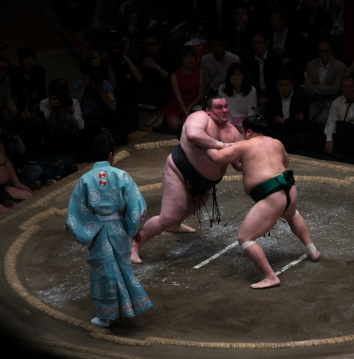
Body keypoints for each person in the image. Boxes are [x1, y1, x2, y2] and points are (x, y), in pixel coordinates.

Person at [206, 115, 320, 289]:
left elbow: (217, 157)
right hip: (289, 189)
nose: (242, 135)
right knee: (291, 214)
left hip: (271, 194)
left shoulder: (243, 145)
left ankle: (270, 276)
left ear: (249, 131)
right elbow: (285, 162)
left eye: (242, 132)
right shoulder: (276, 142)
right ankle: (312, 251)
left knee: (245, 238)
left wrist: (205, 144)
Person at [130, 95, 242, 264]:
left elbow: (238, 164)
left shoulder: (233, 132)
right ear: (208, 111)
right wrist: (221, 145)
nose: (225, 110)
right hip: (180, 171)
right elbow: (192, 134)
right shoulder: (199, 118)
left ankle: (175, 225)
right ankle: (135, 244)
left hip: (206, 182)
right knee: (168, 216)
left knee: (192, 206)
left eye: (226, 106)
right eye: (219, 107)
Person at [66, 149, 152, 328]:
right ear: (111, 155)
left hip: (96, 230)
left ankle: (106, 316)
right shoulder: (122, 175)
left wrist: (87, 231)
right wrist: (132, 229)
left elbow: (75, 213)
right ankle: (122, 309)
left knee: (104, 273)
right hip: (119, 229)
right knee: (121, 268)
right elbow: (135, 209)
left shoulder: (85, 180)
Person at [265, 68, 313, 153]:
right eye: (281, 85)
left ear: (292, 84)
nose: (284, 88)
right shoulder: (273, 96)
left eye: (287, 85)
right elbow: (270, 119)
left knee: (303, 137)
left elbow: (303, 123)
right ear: (277, 85)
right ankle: (281, 144)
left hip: (295, 131)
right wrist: (292, 121)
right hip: (278, 130)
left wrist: (284, 121)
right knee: (265, 133)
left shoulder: (301, 96)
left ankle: (278, 145)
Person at [304, 38, 346, 128]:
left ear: (331, 51)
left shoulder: (340, 66)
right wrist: (327, 88)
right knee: (303, 116)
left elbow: (336, 89)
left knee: (321, 121)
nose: (323, 54)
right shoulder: (311, 65)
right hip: (315, 101)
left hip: (331, 103)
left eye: (326, 51)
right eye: (321, 51)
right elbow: (307, 88)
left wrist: (316, 87)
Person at [162, 45, 205, 131]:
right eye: (186, 57)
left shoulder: (199, 72)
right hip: (177, 104)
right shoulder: (175, 75)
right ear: (181, 60)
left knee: (191, 126)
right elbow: (178, 98)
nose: (190, 60)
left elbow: (201, 94)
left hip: (194, 104)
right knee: (174, 124)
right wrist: (186, 112)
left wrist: (189, 108)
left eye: (192, 57)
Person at [218, 62, 257, 131]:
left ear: (243, 76)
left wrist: (242, 126)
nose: (234, 78)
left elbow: (252, 112)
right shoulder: (222, 89)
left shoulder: (251, 90)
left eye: (237, 75)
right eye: (232, 75)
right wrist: (230, 125)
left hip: (245, 124)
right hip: (227, 123)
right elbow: (221, 110)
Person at [200, 30, 241, 97]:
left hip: (230, 92)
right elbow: (206, 81)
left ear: (224, 45)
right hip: (212, 92)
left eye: (218, 45)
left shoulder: (234, 59)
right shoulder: (205, 60)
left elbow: (238, 80)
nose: (216, 48)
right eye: (214, 45)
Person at [0, 140, 32, 215]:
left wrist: (16, 182)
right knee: (7, 213)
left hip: (2, 189)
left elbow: (6, 162)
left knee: (28, 195)